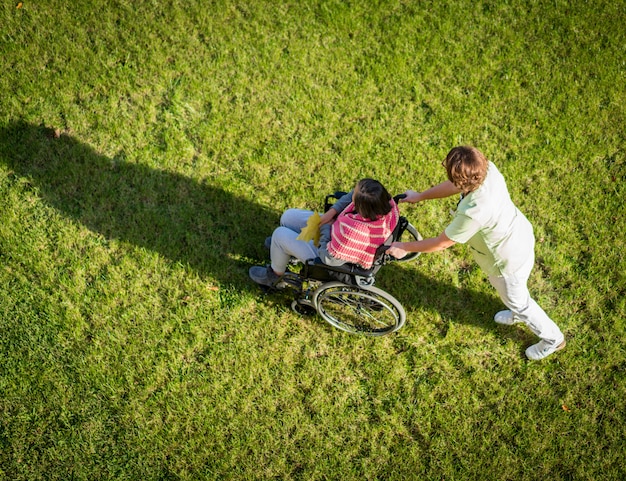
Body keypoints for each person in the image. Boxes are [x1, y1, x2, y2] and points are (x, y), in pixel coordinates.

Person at [387, 146, 565, 360]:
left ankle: (553, 340)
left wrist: (404, 247)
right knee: (515, 296)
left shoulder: (474, 212)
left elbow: (442, 243)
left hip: (506, 262)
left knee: (521, 302)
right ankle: (516, 311)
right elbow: (456, 185)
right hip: (520, 236)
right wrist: (421, 196)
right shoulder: (487, 170)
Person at [249, 178, 399, 287]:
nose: (352, 193)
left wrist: (326, 227)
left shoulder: (353, 232)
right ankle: (283, 250)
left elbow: (329, 258)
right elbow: (352, 196)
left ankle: (274, 277)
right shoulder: (386, 205)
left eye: (355, 195)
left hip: (327, 256)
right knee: (287, 216)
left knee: (279, 235)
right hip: (335, 230)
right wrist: (332, 212)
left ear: (360, 208)